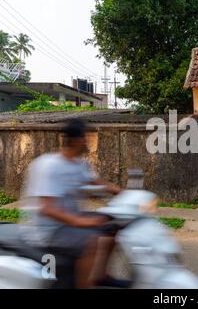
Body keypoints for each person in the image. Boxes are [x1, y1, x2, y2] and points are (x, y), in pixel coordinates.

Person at [21, 118, 123, 289]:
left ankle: (102, 275)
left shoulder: (80, 164)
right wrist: (81, 221)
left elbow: (96, 183)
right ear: (75, 140)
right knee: (92, 239)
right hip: (48, 230)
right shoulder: (50, 166)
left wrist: (121, 191)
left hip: (69, 221)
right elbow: (48, 209)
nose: (89, 142)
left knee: (114, 225)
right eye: (86, 137)